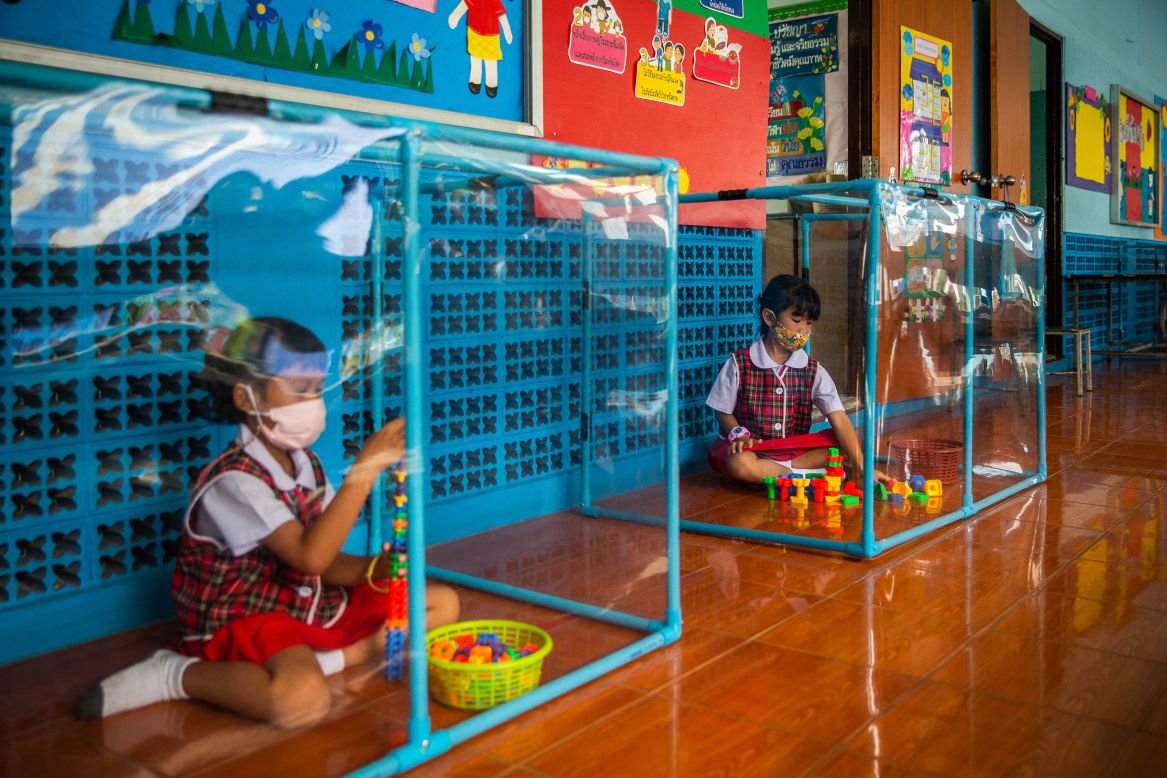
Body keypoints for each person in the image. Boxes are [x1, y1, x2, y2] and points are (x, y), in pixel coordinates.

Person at [78, 317, 459, 728]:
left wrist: (373, 571)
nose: (313, 402)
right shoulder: (234, 481)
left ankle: (331, 656)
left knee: (442, 602)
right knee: (301, 702)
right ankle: (177, 674)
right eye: (298, 389)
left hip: (303, 603)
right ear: (247, 398)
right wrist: (364, 470)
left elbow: (326, 563)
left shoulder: (305, 464)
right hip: (247, 616)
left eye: (317, 389)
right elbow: (310, 558)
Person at [705, 275, 891, 487]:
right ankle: (810, 478)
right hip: (756, 452)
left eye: (809, 322)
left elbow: (838, 417)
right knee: (739, 464)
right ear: (769, 318)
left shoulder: (813, 370)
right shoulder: (739, 363)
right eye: (796, 320)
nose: (804, 329)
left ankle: (787, 476)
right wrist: (738, 434)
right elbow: (722, 410)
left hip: (796, 452)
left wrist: (862, 469)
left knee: (846, 446)